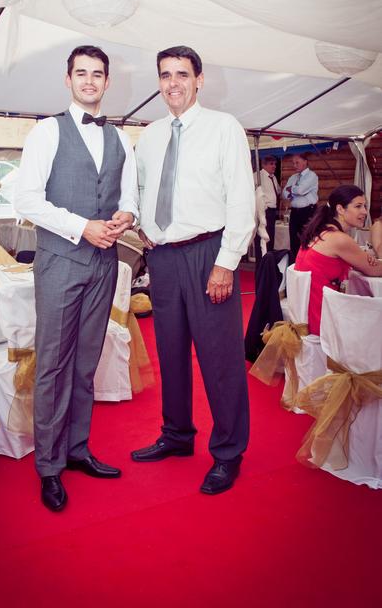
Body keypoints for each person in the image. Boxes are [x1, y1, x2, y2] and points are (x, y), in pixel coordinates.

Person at [14, 45, 138, 512]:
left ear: (107, 82)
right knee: (53, 364)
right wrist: (81, 226)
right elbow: (26, 199)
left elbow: (130, 196)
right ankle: (49, 465)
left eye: (97, 74)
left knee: (86, 363)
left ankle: (77, 448)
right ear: (68, 80)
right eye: (81, 73)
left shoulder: (120, 138)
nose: (89, 80)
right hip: (60, 261)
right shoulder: (47, 131)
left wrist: (127, 215)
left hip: (104, 263)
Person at [132, 45, 255, 495]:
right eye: (165, 75)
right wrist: (141, 226)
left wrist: (226, 263)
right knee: (170, 352)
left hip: (208, 254)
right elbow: (139, 189)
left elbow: (241, 199)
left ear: (199, 80)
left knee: (220, 358)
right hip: (163, 257)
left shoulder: (224, 128)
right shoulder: (150, 135)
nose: (173, 83)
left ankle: (228, 452)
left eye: (182, 74)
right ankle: (178, 435)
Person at [295, 185, 382, 335]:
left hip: (308, 312)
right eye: (358, 206)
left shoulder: (323, 231)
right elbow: (374, 270)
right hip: (322, 317)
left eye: (365, 206)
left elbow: (365, 264)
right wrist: (369, 262)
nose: (364, 212)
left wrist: (364, 261)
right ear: (340, 209)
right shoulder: (339, 239)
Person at [282, 152, 318, 257]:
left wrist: (291, 189)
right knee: (294, 239)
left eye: (297, 162)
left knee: (307, 238)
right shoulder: (293, 177)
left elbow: (301, 190)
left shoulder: (312, 176)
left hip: (308, 211)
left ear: (305, 162)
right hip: (294, 212)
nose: (294, 165)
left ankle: (307, 262)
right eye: (293, 163)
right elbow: (284, 193)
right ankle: (295, 263)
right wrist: (293, 190)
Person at [254, 155, 280, 260]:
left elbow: (276, 191)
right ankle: (261, 263)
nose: (274, 166)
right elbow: (253, 193)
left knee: (270, 238)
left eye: (275, 164)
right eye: (271, 164)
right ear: (263, 165)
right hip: (263, 211)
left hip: (272, 211)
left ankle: (269, 262)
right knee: (262, 237)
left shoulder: (273, 177)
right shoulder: (257, 176)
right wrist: (262, 207)